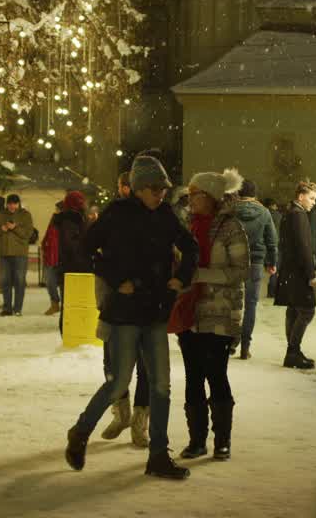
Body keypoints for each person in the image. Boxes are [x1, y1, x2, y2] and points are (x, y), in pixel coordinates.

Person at [66, 155, 198, 480]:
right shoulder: (117, 213)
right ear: (138, 188)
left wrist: (180, 278)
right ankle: (81, 431)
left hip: (154, 310)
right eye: (155, 188)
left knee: (161, 385)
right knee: (119, 382)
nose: (161, 194)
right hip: (124, 313)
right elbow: (85, 250)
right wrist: (114, 277)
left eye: (164, 189)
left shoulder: (166, 215)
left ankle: (158, 455)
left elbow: (190, 247)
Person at [178, 169, 248, 461]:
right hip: (190, 313)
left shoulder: (231, 228)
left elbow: (241, 270)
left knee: (216, 375)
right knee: (193, 377)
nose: (190, 200)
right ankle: (197, 440)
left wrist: (201, 275)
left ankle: (222, 440)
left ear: (210, 197)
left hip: (220, 313)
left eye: (195, 195)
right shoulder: (187, 227)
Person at [97, 170, 153, 448]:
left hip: (144, 308)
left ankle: (140, 421)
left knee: (144, 367)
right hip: (116, 306)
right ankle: (122, 412)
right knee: (113, 363)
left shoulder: (155, 220)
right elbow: (97, 259)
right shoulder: (112, 218)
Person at [231, 179, 277, 360]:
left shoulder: (231, 211)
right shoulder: (264, 212)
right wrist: (271, 262)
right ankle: (245, 346)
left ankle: (231, 341)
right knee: (251, 305)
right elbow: (272, 240)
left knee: (233, 303)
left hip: (233, 261)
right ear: (255, 193)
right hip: (255, 262)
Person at [275, 181, 316, 369]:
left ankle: (293, 351)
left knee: (293, 310)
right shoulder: (299, 215)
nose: (313, 202)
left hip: (290, 270)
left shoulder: (290, 213)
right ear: (301, 196)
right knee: (307, 310)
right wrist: (311, 274)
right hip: (299, 272)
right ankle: (293, 351)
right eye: (311, 198)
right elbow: (304, 247)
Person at [0, 194, 34, 316]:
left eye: (14, 204)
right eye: (9, 204)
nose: (12, 206)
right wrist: (2, 229)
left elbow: (28, 234)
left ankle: (18, 308)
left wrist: (15, 228)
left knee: (19, 281)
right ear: (6, 204)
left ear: (18, 204)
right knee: (5, 281)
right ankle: (7, 308)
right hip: (4, 253)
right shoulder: (1, 215)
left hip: (20, 254)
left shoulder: (25, 215)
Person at [50, 191, 92, 316]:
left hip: (70, 267)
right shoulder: (71, 220)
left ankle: (70, 329)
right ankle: (69, 330)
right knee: (72, 304)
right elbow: (72, 244)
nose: (84, 204)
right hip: (74, 268)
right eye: (82, 202)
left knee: (71, 303)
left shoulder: (75, 219)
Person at [263, 198, 283, 298]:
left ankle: (271, 290)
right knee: (275, 268)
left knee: (270, 267)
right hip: (277, 244)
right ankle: (273, 291)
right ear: (274, 205)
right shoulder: (279, 216)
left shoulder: (263, 215)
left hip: (265, 245)